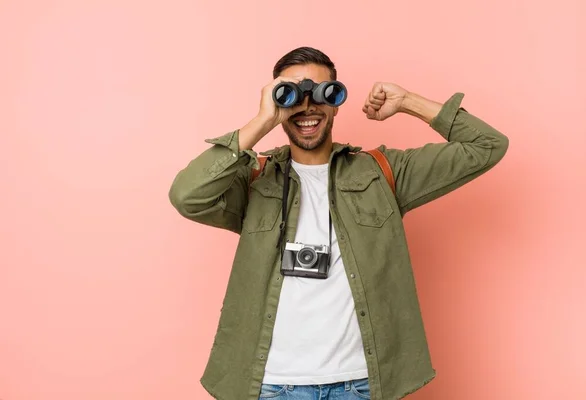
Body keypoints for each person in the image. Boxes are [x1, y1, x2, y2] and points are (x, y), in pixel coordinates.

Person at [168, 46, 509, 400]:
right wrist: (262, 121)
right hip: (272, 384)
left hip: (360, 382)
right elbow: (187, 195)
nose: (307, 107)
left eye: (320, 93)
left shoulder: (383, 172)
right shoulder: (254, 178)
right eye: (293, 95)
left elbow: (487, 146)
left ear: (335, 102)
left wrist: (407, 101)